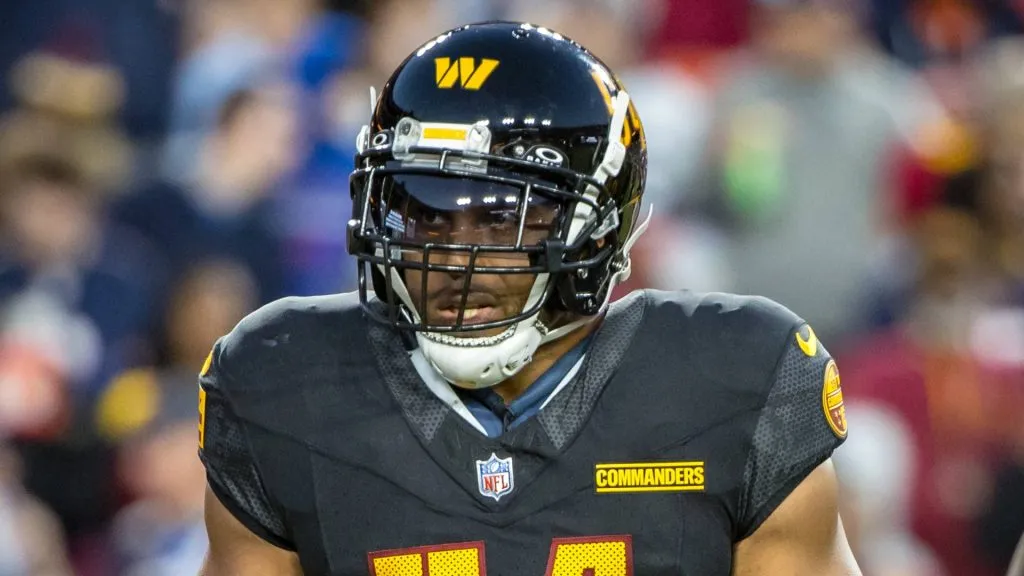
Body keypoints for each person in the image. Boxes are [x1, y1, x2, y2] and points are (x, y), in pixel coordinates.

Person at [198, 22, 861, 575]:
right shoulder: (282, 385)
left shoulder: (735, 382)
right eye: (426, 214)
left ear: (600, 223)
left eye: (500, 217)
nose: (457, 260)